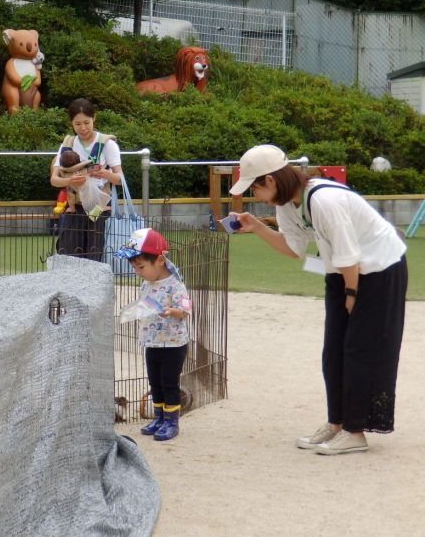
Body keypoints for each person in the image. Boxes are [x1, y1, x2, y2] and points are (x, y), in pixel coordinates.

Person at [229, 144, 408, 455]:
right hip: (342, 271)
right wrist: (256, 227)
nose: (253, 194)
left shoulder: (325, 200)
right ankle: (337, 422)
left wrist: (352, 295)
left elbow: (349, 253)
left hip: (379, 268)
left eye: (254, 187)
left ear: (270, 180)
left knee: (358, 348)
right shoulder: (285, 204)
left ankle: (355, 432)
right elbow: (293, 249)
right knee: (333, 349)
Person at [115, 228, 192, 441]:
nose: (138, 272)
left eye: (141, 266)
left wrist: (173, 311)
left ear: (159, 260)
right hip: (152, 343)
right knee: (155, 382)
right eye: (134, 267)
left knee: (169, 383)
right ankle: (159, 417)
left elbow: (187, 308)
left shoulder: (175, 285)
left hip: (173, 344)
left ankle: (171, 421)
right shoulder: (147, 283)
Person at [50, 98, 122, 260]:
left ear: (94, 118)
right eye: (77, 124)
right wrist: (70, 181)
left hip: (99, 208)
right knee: (69, 255)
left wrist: (105, 174)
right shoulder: (67, 144)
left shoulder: (107, 144)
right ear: (71, 123)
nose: (83, 128)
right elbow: (54, 180)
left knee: (94, 256)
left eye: (86, 123)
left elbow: (119, 179)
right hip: (74, 208)